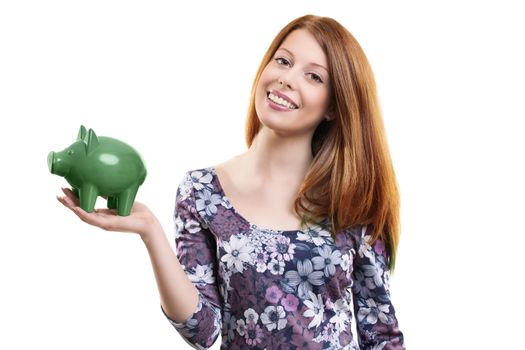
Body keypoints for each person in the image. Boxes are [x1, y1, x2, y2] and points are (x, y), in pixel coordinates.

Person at [57, 14, 405, 350]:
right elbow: (203, 330)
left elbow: (383, 337)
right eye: (283, 61)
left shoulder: (352, 201)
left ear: (334, 106)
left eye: (314, 77)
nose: (288, 78)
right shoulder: (202, 192)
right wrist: (150, 230)